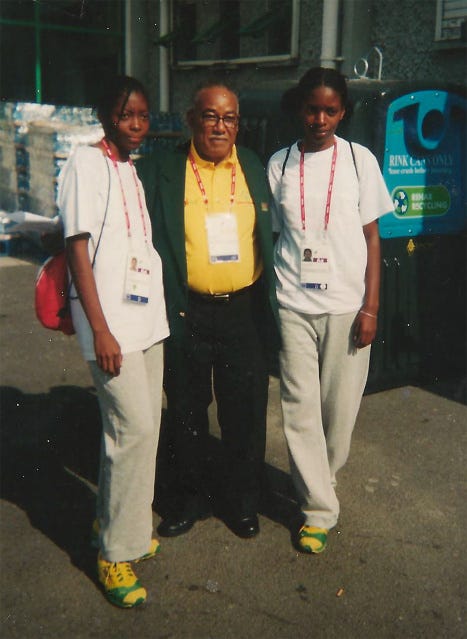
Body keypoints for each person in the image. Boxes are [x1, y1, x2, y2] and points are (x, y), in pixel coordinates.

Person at [138, 81, 279, 539]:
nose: (220, 126)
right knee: (185, 411)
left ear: (238, 124)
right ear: (191, 119)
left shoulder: (255, 166)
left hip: (243, 312)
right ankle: (187, 499)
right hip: (187, 311)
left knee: (244, 413)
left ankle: (241, 502)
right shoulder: (162, 169)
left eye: (229, 118)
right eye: (211, 116)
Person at [267, 67, 394, 554]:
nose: (319, 118)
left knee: (339, 411)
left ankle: (324, 479)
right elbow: (279, 236)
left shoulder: (361, 161)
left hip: (346, 304)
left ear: (343, 112)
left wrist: (371, 307)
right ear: (300, 108)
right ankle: (318, 509)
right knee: (299, 409)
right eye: (312, 108)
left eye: (330, 110)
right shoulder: (280, 163)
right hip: (293, 302)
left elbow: (372, 238)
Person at [58, 76, 169, 607]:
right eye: (128, 116)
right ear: (106, 115)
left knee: (143, 433)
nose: (138, 125)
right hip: (111, 326)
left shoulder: (129, 167)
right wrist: (99, 328)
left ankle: (123, 528)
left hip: (146, 321)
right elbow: (78, 247)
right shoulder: (86, 163)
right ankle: (113, 555)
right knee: (133, 428)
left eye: (144, 116)